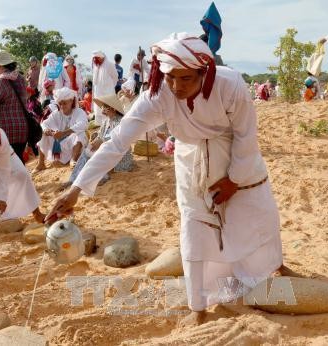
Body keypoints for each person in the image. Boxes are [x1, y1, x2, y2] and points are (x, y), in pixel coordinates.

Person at [47, 32, 294, 326]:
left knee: (257, 211)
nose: (176, 86)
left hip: (237, 156)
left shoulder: (230, 85)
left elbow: (245, 135)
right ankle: (199, 304)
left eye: (186, 78)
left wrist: (234, 180)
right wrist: (75, 190)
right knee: (195, 227)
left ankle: (275, 265)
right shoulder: (157, 95)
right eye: (170, 77)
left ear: (205, 72)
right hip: (191, 164)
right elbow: (117, 143)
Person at [65, 93, 133, 189]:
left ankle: (102, 177)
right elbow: (101, 135)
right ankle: (73, 179)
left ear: (112, 108)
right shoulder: (107, 121)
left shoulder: (120, 121)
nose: (102, 109)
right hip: (107, 150)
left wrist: (101, 141)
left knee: (98, 154)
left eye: (105, 107)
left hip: (119, 154)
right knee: (86, 152)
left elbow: (118, 138)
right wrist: (95, 137)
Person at [0, 51, 29, 161]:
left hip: (6, 131)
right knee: (19, 161)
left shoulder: (0, 82)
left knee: (6, 163)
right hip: (23, 128)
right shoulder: (21, 79)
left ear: (0, 66)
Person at [35, 87, 88, 172]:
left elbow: (83, 124)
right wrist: (46, 130)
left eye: (65, 103)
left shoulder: (79, 112)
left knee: (80, 134)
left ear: (71, 101)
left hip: (72, 144)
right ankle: (41, 163)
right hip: (58, 145)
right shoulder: (56, 114)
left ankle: (73, 159)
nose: (62, 106)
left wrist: (64, 133)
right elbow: (44, 124)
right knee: (43, 134)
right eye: (60, 103)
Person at [92, 51, 118, 125]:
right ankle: (100, 128)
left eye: (96, 58)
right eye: (94, 58)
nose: (95, 60)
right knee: (98, 111)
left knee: (107, 112)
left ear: (101, 58)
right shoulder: (96, 66)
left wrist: (110, 87)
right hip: (98, 92)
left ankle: (108, 128)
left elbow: (115, 77)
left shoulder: (110, 64)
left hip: (108, 92)